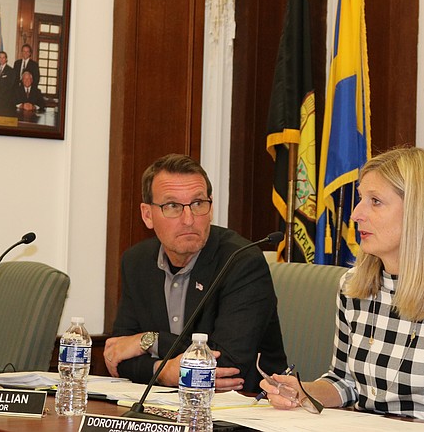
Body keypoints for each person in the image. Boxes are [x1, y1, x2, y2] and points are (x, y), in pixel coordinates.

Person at [261, 147, 424, 430]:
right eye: (361, 199)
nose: (357, 214)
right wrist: (302, 390)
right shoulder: (353, 286)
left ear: (418, 213)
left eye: (375, 201)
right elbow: (345, 383)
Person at [103, 154, 287, 393]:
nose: (189, 219)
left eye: (198, 204)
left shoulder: (241, 261)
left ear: (210, 209)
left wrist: (149, 341)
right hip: (167, 404)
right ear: (147, 215)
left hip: (243, 407)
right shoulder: (136, 261)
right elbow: (119, 355)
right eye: (172, 206)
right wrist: (165, 371)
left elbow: (228, 364)